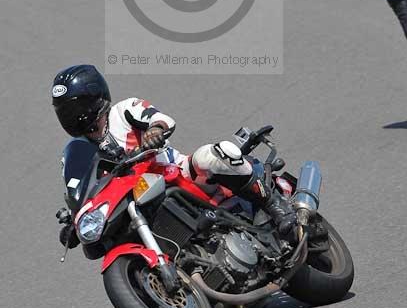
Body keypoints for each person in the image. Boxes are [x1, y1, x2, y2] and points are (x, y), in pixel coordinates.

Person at [53, 64, 294, 251]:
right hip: (132, 199)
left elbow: (162, 120)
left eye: (75, 109)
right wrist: (76, 222)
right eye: (65, 112)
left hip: (175, 173)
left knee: (213, 154)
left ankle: (273, 203)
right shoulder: (76, 150)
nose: (72, 117)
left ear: (95, 98)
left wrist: (155, 131)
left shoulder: (123, 111)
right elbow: (81, 189)